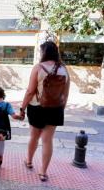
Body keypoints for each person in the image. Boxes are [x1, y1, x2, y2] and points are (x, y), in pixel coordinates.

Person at [20, 41, 70, 182]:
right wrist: (60, 109)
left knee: (34, 136)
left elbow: (30, 91)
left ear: (44, 52)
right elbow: (65, 94)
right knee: (47, 140)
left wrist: (22, 108)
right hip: (55, 109)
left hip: (37, 107)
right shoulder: (64, 69)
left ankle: (29, 161)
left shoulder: (38, 68)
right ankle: (43, 172)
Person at [0, 86, 23, 176]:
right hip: (2, 133)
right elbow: (14, 116)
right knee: (0, 149)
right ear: (3, 95)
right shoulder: (7, 105)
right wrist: (20, 117)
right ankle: (0, 160)